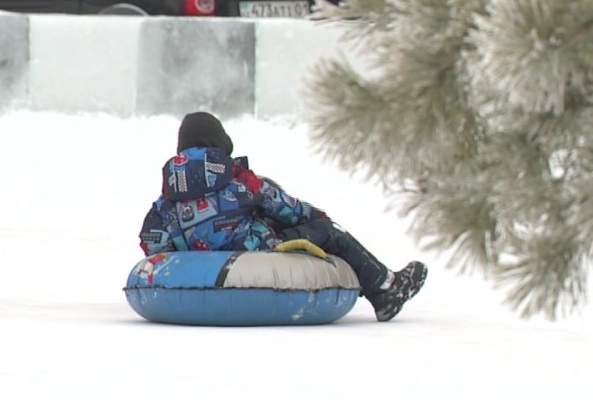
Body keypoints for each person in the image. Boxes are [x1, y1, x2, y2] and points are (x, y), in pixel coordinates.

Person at [138, 111, 427, 322]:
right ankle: (385, 287)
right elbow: (287, 209)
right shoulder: (240, 182)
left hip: (204, 264)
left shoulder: (166, 199)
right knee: (329, 232)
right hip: (257, 252)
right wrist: (317, 218)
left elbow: (153, 242)